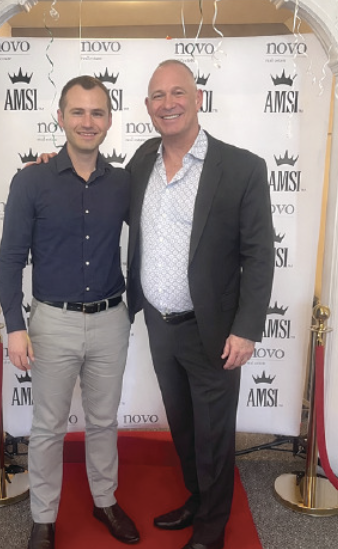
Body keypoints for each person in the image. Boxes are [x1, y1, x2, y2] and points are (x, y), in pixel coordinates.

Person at [126, 60, 274, 549]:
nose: (168, 103)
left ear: (197, 99)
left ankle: (211, 530)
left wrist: (247, 328)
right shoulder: (142, 161)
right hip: (160, 325)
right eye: (158, 96)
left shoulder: (242, 168)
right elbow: (101, 190)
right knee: (185, 426)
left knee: (213, 435)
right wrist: (53, 164)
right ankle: (197, 497)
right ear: (148, 107)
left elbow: (259, 255)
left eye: (178, 93)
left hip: (213, 331)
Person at [0, 76, 139, 549]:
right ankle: (43, 518)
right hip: (51, 323)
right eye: (77, 111)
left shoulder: (123, 183)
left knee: (103, 422)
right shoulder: (31, 180)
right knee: (47, 428)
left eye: (97, 112)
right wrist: (15, 328)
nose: (87, 121)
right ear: (60, 117)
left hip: (110, 320)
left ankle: (105, 500)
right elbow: (10, 260)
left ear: (109, 121)